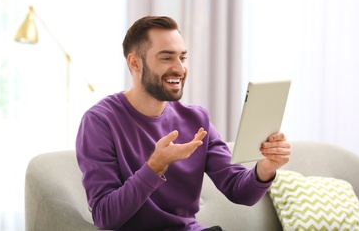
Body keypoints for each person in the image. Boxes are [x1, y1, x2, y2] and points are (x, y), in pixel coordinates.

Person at [76, 16, 291, 231]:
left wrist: (265, 168)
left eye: (182, 58)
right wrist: (154, 166)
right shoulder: (100, 122)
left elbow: (240, 191)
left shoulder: (197, 120)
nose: (180, 68)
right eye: (167, 58)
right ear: (135, 62)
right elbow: (105, 216)